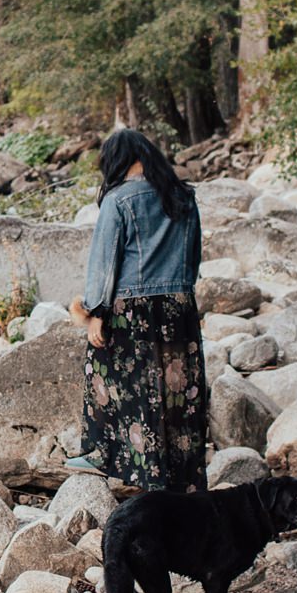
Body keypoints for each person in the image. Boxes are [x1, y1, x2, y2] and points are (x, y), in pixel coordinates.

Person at [65, 128, 208, 492]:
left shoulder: (119, 200)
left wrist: (95, 310)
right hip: (179, 306)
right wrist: (180, 294)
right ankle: (181, 474)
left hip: (131, 310)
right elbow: (193, 260)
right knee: (177, 389)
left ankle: (105, 454)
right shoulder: (184, 197)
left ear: (118, 161)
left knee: (116, 378)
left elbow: (105, 263)